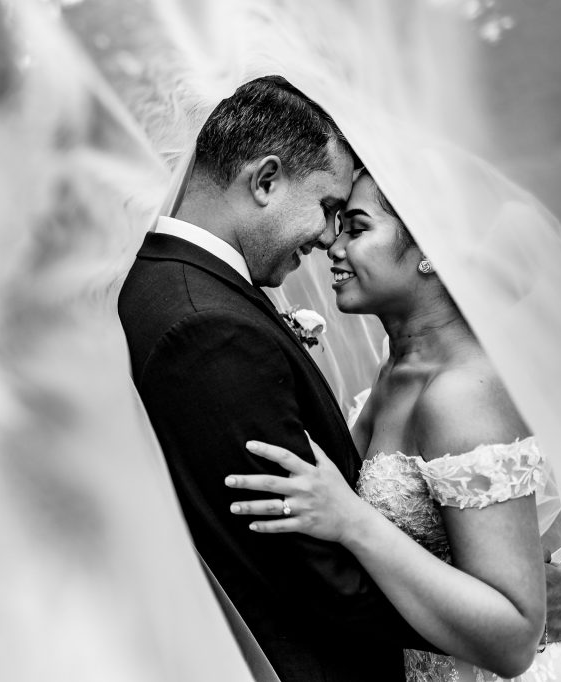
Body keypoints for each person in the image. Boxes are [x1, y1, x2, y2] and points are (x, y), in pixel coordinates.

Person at [118, 75, 442, 681]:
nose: (327, 239)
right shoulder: (207, 327)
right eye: (326, 209)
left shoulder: (186, 283)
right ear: (265, 181)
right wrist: (484, 620)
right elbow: (309, 569)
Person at [225, 168, 561, 680]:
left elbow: (514, 639)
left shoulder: (460, 394)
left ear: (430, 251)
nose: (333, 247)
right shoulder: (398, 363)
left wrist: (351, 519)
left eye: (357, 228)